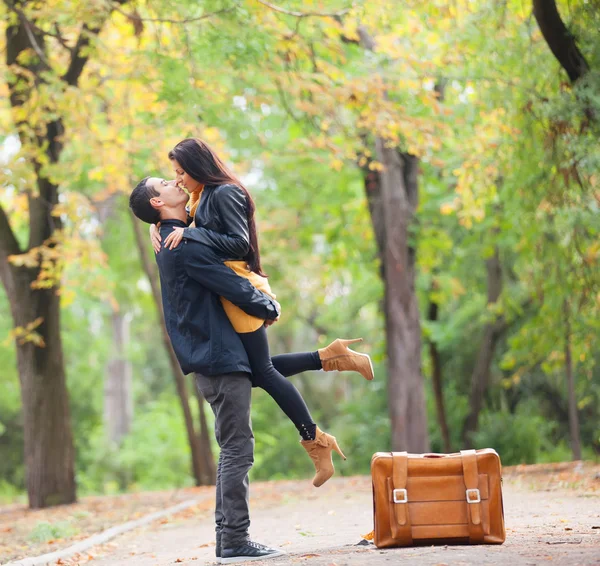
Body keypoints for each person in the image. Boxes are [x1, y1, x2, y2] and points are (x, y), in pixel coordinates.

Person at [149, 138, 373, 477]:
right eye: (174, 174)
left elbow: (239, 244)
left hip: (243, 286)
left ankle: (316, 439)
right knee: (256, 370)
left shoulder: (225, 192)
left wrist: (193, 236)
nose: (178, 179)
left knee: (262, 373)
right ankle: (330, 358)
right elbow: (182, 219)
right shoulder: (202, 196)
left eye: (181, 172)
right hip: (231, 289)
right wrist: (158, 226)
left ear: (197, 167)